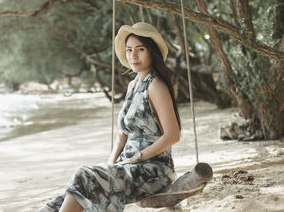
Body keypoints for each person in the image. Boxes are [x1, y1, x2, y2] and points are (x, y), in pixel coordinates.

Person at [37, 22, 181, 212]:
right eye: (129, 50)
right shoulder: (133, 85)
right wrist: (110, 165)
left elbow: (173, 135)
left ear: (151, 52)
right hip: (127, 167)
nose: (133, 56)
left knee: (84, 175)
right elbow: (122, 135)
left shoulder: (156, 85)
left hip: (153, 171)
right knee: (68, 195)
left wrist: (138, 157)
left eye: (140, 49)